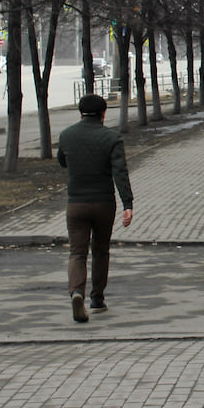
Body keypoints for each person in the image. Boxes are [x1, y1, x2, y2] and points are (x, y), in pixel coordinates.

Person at [57, 93, 134, 323]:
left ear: (80, 112)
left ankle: (77, 292)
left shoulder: (66, 135)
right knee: (100, 250)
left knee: (77, 252)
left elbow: (62, 161)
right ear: (103, 114)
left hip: (76, 204)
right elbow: (120, 172)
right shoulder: (111, 138)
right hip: (103, 204)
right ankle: (97, 298)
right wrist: (127, 204)